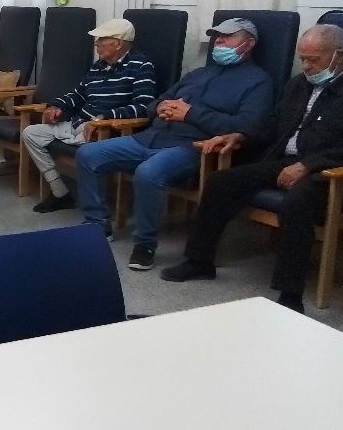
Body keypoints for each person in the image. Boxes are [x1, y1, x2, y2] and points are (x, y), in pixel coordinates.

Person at [161, 25, 343, 312]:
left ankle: (290, 295)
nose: (305, 66)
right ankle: (199, 261)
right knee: (221, 182)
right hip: (284, 161)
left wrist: (308, 165)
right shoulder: (298, 84)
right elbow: (272, 122)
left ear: (338, 56)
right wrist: (240, 135)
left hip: (329, 172)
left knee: (297, 201)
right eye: (302, 58)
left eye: (313, 60)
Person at [74, 17, 274, 271]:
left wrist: (190, 114)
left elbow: (247, 126)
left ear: (249, 44)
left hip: (192, 147)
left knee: (148, 173)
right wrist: (161, 107)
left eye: (227, 37)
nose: (219, 42)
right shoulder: (198, 73)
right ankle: (97, 223)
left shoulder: (258, 82)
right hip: (150, 137)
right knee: (88, 154)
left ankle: (145, 244)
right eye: (217, 37)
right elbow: (154, 102)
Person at [24, 18, 156, 213]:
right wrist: (56, 106)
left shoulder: (141, 66)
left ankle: (95, 210)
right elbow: (78, 94)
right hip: (80, 124)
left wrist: (104, 118)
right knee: (31, 133)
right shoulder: (98, 66)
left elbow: (145, 107)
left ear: (118, 43)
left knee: (88, 148)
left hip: (105, 132)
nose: (96, 44)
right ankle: (60, 192)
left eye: (101, 40)